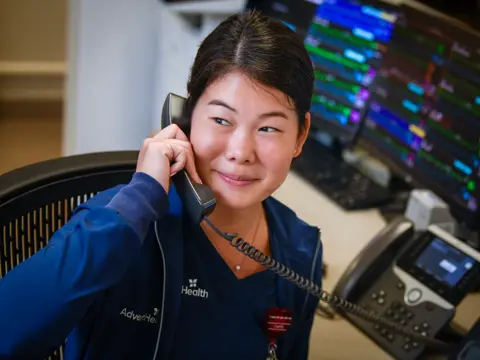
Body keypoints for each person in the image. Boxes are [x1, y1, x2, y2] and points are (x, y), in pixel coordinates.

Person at [0, 10, 323, 360]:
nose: (240, 152)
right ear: (184, 119)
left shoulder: (301, 251)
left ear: (300, 135)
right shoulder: (119, 224)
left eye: (268, 128)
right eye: (220, 120)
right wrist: (138, 203)